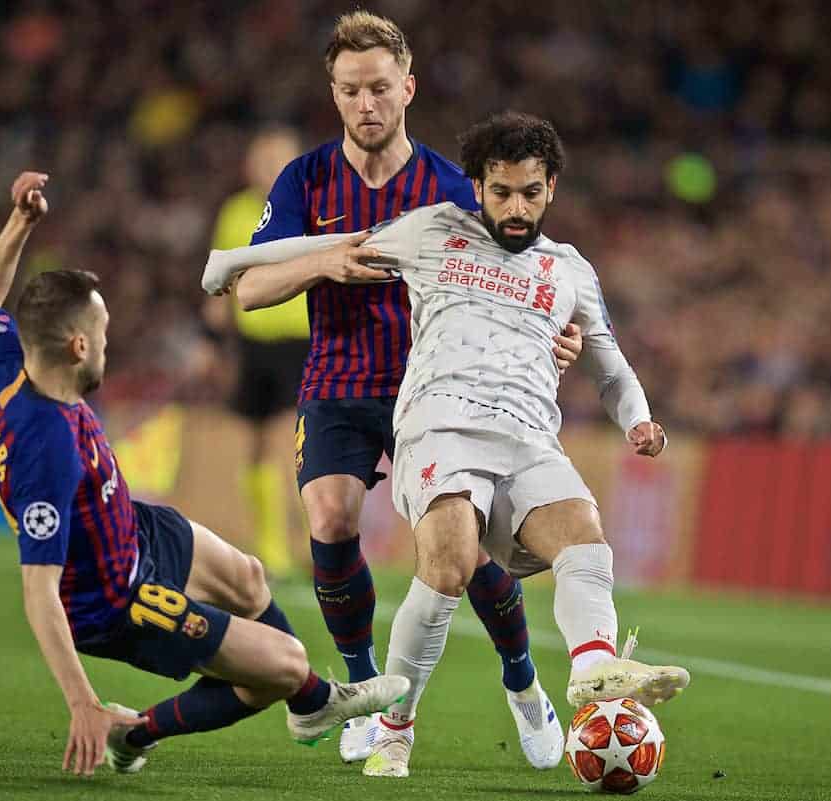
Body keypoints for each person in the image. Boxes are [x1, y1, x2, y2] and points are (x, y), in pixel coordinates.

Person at [200, 111, 692, 779]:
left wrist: (639, 419)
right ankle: (395, 730)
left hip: (526, 435)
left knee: (584, 533)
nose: (515, 208)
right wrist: (231, 263)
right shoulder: (435, 230)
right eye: (501, 192)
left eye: (530, 192)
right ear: (478, 187)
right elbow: (336, 240)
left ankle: (594, 668)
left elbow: (609, 360)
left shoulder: (570, 270)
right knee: (453, 557)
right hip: (440, 426)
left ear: (551, 188)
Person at [0, 171, 408, 778]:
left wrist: (20, 223)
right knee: (279, 667)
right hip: (116, 596)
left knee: (250, 578)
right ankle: (174, 724)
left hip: (131, 525)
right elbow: (40, 591)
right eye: (101, 336)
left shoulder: (2, 361)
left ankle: (303, 705)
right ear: (75, 348)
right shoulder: (46, 449)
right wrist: (82, 702)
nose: (107, 345)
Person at [233, 10, 579, 767]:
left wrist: (563, 333)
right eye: (352, 90)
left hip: (436, 390)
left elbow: (522, 276)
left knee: (471, 555)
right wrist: (324, 261)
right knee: (328, 518)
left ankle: (523, 684)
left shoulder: (454, 188)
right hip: (336, 382)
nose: (367, 104)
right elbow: (251, 289)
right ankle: (363, 690)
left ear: (408, 88)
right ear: (334, 94)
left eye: (380, 88)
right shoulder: (305, 180)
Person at [210, 127, 311, 579]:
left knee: (282, 442)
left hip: (298, 342)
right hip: (252, 345)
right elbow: (221, 274)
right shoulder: (235, 211)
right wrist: (211, 339)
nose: (265, 167)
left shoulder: (311, 207)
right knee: (254, 446)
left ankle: (287, 545)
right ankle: (268, 539)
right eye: (260, 158)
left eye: (276, 159)